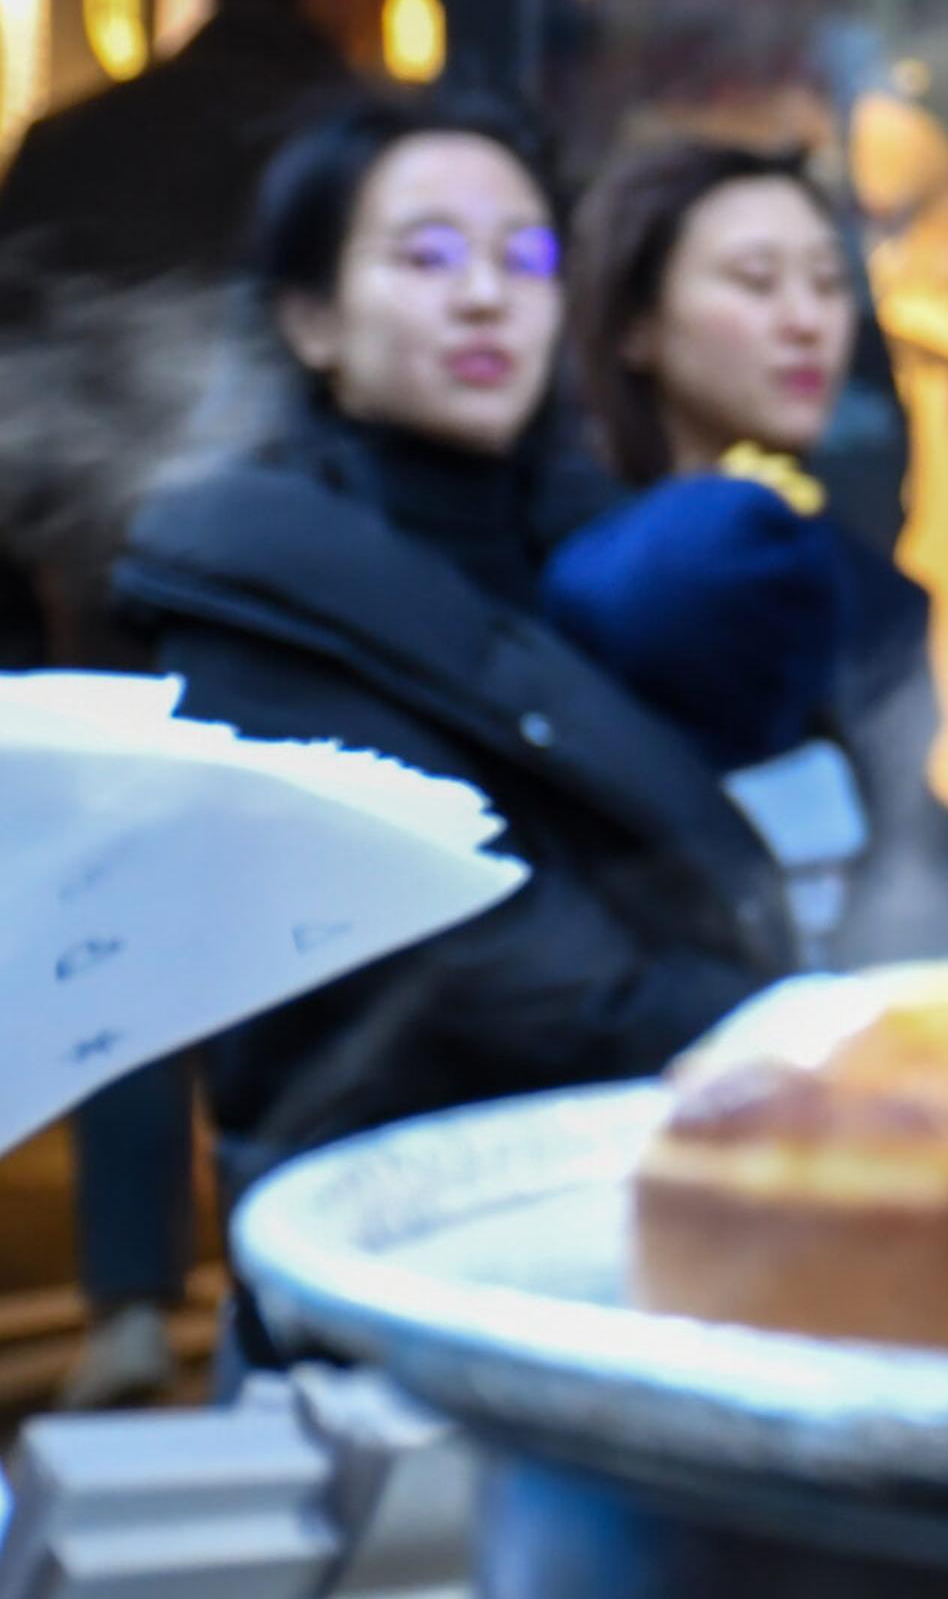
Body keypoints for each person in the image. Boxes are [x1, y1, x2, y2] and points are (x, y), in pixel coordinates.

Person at [110, 93, 792, 1254]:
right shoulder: (255, 583)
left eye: (525, 256)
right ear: (312, 318)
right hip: (387, 1246)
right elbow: (481, 948)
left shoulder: (613, 558)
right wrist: (788, 1026)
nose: (486, 293)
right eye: (426, 255)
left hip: (639, 1205)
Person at [0, 0, 387, 1408]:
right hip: (334, 618)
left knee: (132, 955)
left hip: (115, 606)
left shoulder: (74, 145)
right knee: (322, 942)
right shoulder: (368, 143)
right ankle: (307, 1287)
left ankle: (129, 1307)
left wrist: (68, 557)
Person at [549, 141, 934, 958]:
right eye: (755, 282)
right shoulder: (569, 574)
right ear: (636, 326)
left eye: (830, 284)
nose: (805, 321)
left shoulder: (865, 586)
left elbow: (921, 855)